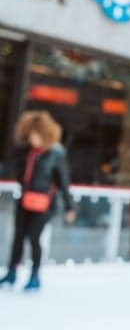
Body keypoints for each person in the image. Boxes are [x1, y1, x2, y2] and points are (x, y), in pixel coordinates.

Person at [0, 111, 75, 292]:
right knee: (18, 237)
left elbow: (63, 182)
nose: (33, 138)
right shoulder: (25, 152)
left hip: (44, 205)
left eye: (36, 134)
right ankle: (12, 272)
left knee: (34, 238)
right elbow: (18, 174)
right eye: (30, 134)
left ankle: (35, 275)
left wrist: (69, 206)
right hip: (25, 200)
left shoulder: (55, 154)